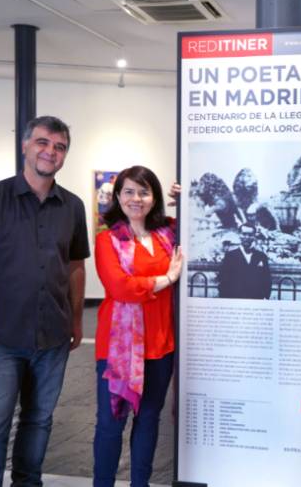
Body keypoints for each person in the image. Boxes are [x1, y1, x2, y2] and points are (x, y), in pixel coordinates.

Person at [0, 116, 89, 487]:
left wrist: (76, 320)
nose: (51, 152)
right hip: (1, 339)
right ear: (25, 145)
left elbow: (75, 267)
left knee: (39, 421)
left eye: (60, 147)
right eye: (43, 142)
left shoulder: (73, 206)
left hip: (53, 338)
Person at [93, 165, 183, 486]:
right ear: (118, 196)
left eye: (144, 192)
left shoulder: (167, 234)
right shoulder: (107, 240)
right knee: (111, 424)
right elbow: (120, 287)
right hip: (118, 349)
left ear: (154, 197)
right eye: (129, 191)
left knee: (148, 421)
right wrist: (167, 278)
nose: (136, 198)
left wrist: (186, 201)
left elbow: (203, 221)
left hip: (161, 345)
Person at [217, 223, 272, 299]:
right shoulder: (230, 256)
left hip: (255, 300)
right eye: (244, 234)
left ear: (254, 236)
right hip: (235, 300)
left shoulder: (261, 256)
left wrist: (265, 297)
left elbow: (267, 280)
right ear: (239, 235)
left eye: (250, 235)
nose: (247, 237)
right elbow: (223, 280)